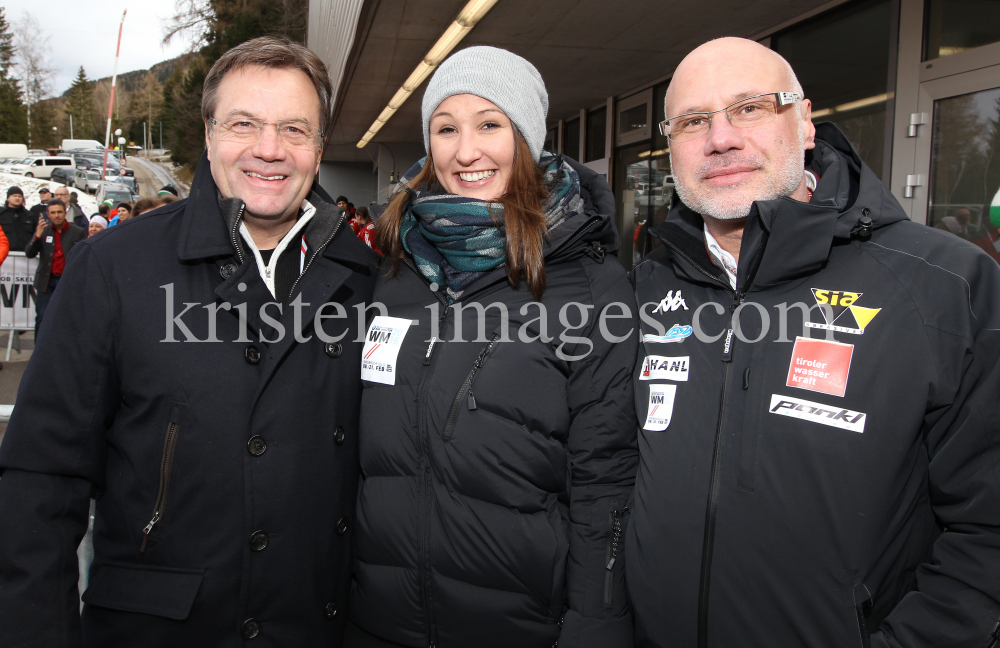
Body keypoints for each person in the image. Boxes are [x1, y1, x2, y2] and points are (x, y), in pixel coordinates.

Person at [0, 35, 377, 646]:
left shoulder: (364, 280)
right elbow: (41, 481)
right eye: (243, 124)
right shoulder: (116, 268)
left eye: (294, 129)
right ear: (207, 135)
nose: (268, 150)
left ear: (319, 147)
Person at [627, 37, 1000, 647]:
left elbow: (987, 531)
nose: (720, 139)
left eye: (749, 108)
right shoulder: (650, 285)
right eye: (693, 121)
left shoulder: (943, 287)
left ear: (803, 122)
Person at [348, 46, 638, 648]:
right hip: (379, 620)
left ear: (525, 138)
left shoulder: (589, 283)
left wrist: (595, 622)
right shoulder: (396, 268)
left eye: (489, 124)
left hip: (521, 626)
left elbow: (605, 479)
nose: (466, 151)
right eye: (445, 128)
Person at [23, 198, 85, 335]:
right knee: (42, 317)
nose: (56, 215)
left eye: (59, 212)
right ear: (48, 214)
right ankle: (40, 354)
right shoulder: (43, 231)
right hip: (47, 282)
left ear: (65, 213)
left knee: (69, 319)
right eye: (53, 212)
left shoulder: (78, 232)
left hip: (68, 282)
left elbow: (85, 258)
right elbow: (29, 253)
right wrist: (37, 236)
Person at [0, 186, 34, 250]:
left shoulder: (29, 215)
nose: (17, 198)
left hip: (25, 255)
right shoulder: (1, 214)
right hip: (5, 254)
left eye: (19, 196)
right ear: (8, 198)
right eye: (14, 196)